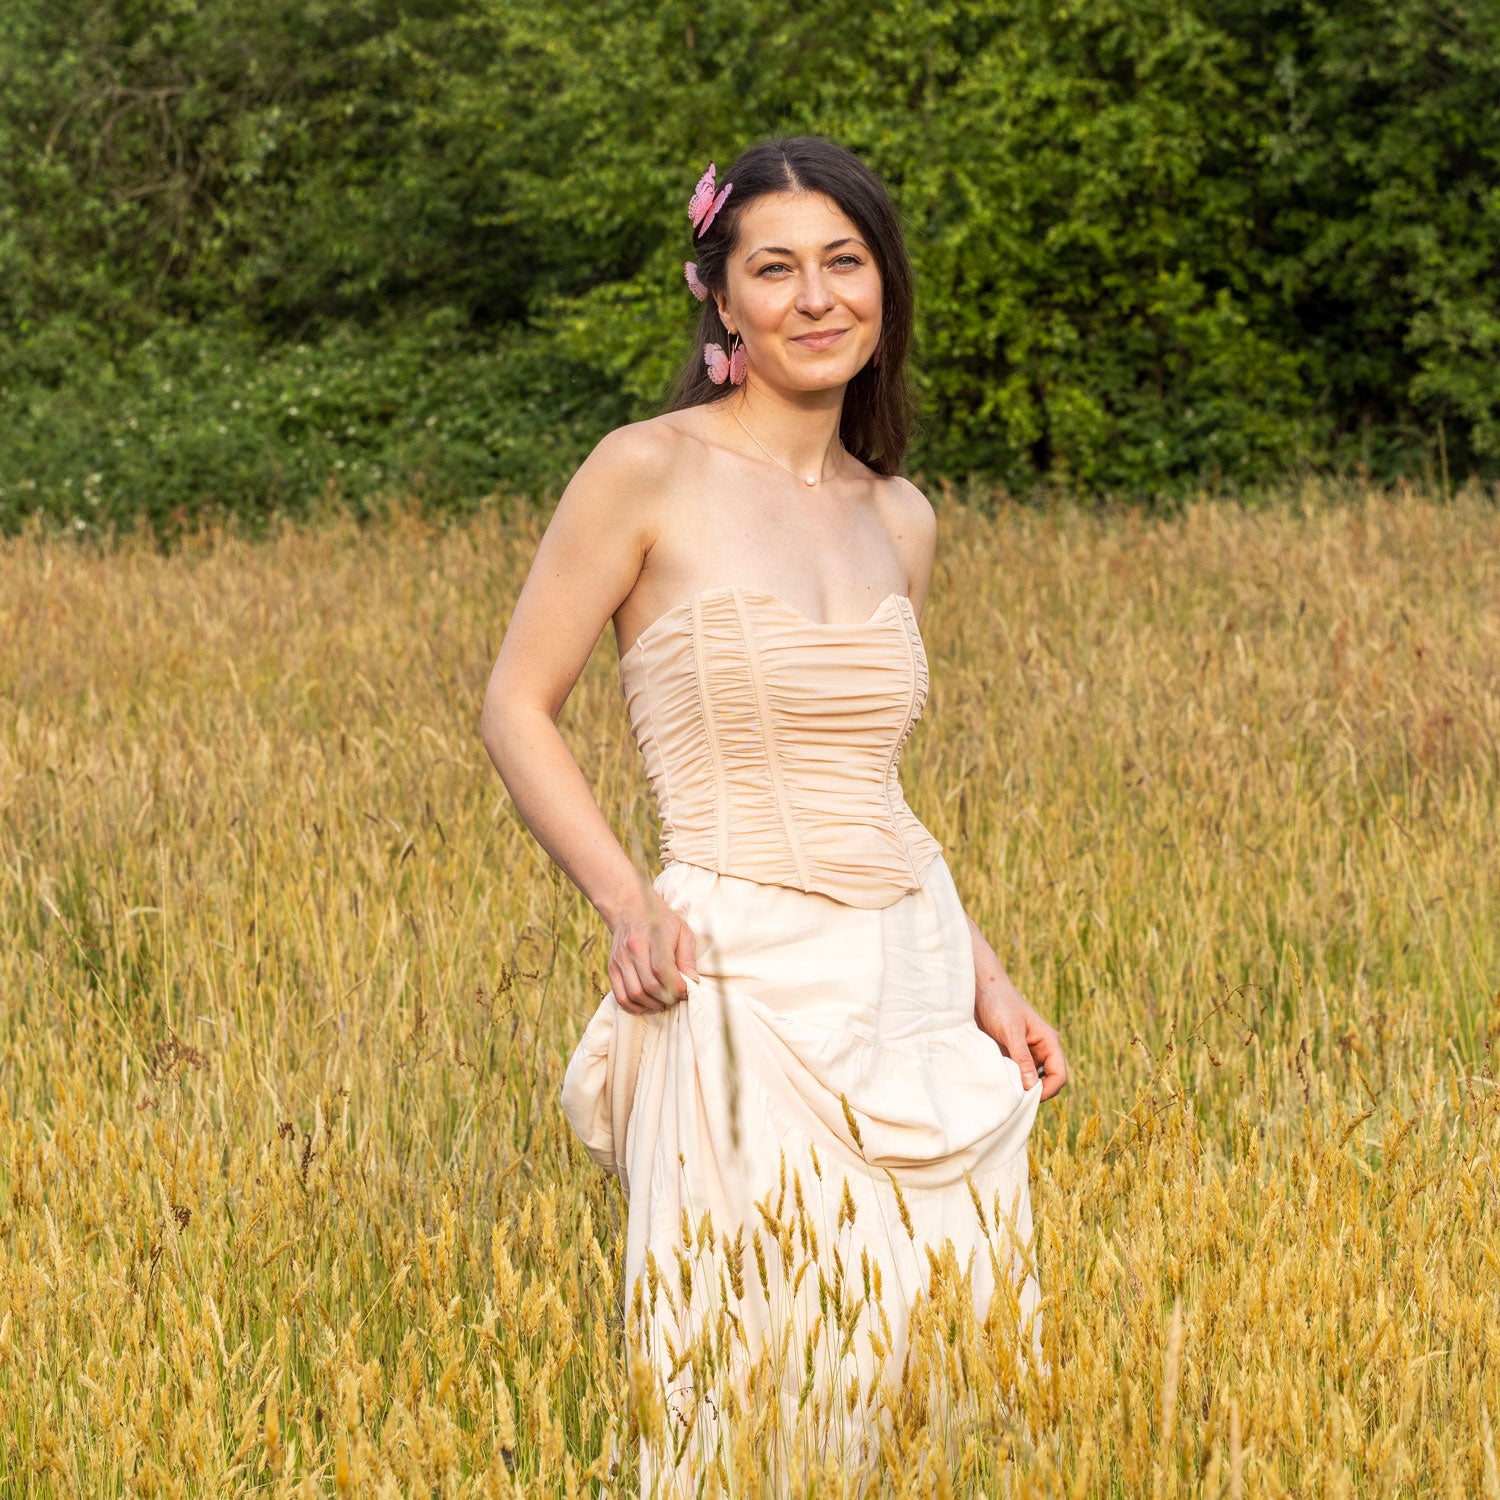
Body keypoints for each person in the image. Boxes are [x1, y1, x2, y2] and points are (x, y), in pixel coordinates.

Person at [480, 134, 1068, 1495]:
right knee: (749, 1377)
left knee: (945, 1372)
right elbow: (517, 706)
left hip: (913, 980)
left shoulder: (899, 514)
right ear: (722, 298)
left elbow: (874, 783)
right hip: (735, 969)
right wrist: (630, 902)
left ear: (885, 288)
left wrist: (987, 976)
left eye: (845, 264)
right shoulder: (645, 469)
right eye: (776, 269)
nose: (817, 298)